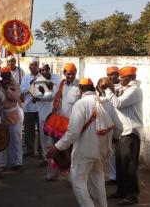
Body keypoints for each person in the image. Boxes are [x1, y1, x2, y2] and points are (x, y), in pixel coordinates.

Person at [47, 78, 122, 207]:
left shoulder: (81, 104)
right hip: (102, 150)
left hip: (84, 151)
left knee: (78, 181)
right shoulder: (106, 103)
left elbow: (72, 133)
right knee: (97, 181)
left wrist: (57, 147)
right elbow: (119, 127)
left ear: (81, 89)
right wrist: (114, 138)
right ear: (93, 88)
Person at [101, 66, 143, 205]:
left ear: (130, 78)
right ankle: (121, 191)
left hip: (130, 132)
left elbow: (118, 103)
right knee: (121, 165)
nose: (119, 79)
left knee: (129, 165)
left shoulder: (134, 90)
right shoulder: (123, 88)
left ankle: (131, 195)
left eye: (121, 77)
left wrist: (107, 88)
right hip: (122, 132)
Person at [48, 62, 81, 180]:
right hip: (59, 122)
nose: (70, 76)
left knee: (72, 151)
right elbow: (55, 98)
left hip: (73, 124)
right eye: (68, 74)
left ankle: (72, 178)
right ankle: (52, 173)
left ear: (76, 73)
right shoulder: (61, 84)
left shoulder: (79, 86)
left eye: (72, 74)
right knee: (55, 148)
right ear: (64, 74)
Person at [0, 67, 23, 170]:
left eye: (7, 74)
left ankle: (17, 162)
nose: (5, 77)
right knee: (3, 139)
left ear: (9, 74)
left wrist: (7, 89)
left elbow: (16, 98)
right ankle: (2, 164)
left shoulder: (15, 85)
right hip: (2, 115)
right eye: (3, 75)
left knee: (15, 139)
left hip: (13, 114)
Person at [20, 58, 42, 158]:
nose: (33, 66)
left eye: (35, 65)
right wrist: (31, 85)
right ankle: (30, 149)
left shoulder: (41, 77)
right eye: (32, 65)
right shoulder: (25, 78)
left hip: (39, 108)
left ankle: (41, 151)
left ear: (38, 66)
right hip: (28, 107)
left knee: (41, 130)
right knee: (29, 130)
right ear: (29, 67)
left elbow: (44, 91)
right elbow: (22, 90)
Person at [105, 66, 120, 186]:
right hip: (108, 122)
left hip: (120, 123)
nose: (112, 77)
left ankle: (119, 176)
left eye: (114, 74)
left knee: (119, 152)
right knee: (110, 151)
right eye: (109, 75)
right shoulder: (104, 88)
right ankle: (112, 176)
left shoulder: (123, 88)